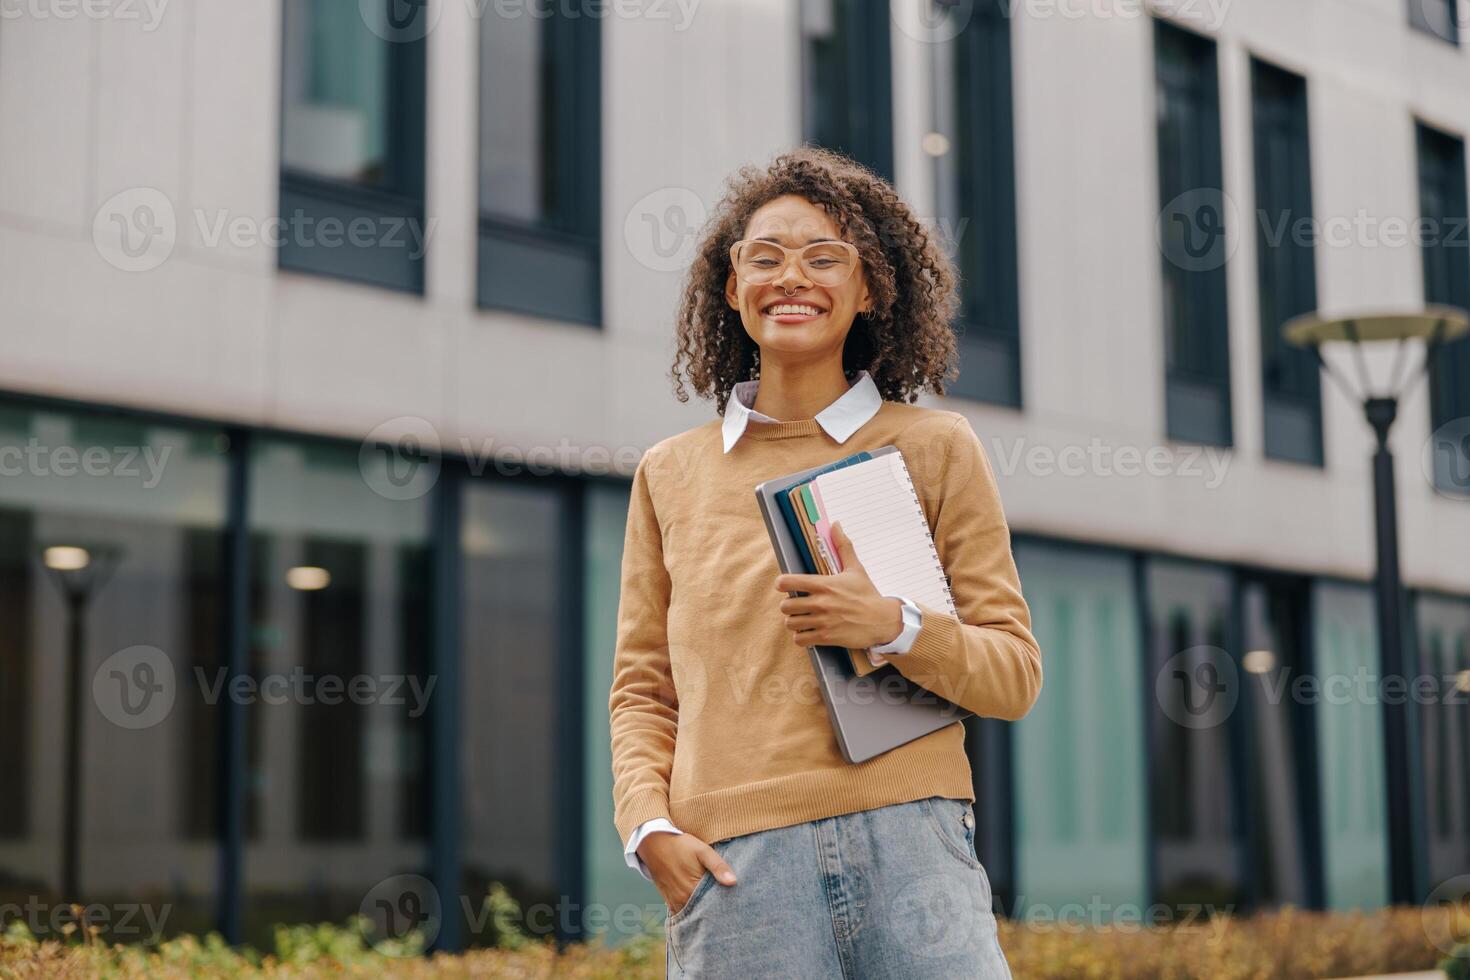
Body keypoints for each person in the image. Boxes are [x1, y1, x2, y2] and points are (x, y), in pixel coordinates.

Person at [609, 146, 1042, 978]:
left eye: (823, 257)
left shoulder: (937, 448)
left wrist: (895, 626)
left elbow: (1014, 675)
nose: (790, 277)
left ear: (871, 287)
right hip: (736, 869)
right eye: (763, 258)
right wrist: (648, 826)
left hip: (912, 841)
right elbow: (641, 690)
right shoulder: (670, 473)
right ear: (731, 288)